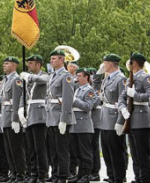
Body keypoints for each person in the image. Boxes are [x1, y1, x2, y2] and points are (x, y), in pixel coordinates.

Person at [118, 53, 150, 183]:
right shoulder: (131, 78)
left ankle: (146, 178)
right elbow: (122, 97)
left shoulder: (146, 78)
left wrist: (135, 95)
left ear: (134, 63)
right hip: (131, 118)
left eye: (130, 62)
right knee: (135, 153)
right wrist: (123, 109)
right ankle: (138, 177)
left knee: (143, 153)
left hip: (142, 119)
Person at [46, 50, 76, 183]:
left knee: (62, 149)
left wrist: (64, 119)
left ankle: (63, 176)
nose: (51, 61)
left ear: (61, 60)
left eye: (54, 58)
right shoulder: (53, 75)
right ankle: (55, 173)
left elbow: (68, 99)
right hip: (52, 116)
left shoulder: (66, 76)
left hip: (60, 117)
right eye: (51, 58)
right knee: (53, 150)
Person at [19, 55, 49, 183]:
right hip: (29, 114)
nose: (28, 65)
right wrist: (21, 109)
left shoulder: (46, 75)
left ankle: (42, 174)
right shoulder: (28, 79)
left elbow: (41, 80)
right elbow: (23, 96)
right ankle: (33, 173)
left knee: (40, 147)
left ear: (38, 64)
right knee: (30, 147)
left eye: (31, 63)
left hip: (40, 115)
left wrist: (27, 76)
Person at [99, 54, 128, 183]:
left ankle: (119, 177)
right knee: (106, 149)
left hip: (114, 118)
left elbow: (124, 101)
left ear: (110, 64)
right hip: (105, 118)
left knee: (116, 150)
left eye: (104, 63)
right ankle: (111, 175)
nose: (103, 65)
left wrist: (121, 121)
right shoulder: (107, 79)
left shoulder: (121, 79)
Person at [0, 57, 26, 183]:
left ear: (14, 66)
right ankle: (14, 173)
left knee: (16, 148)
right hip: (5, 116)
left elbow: (17, 100)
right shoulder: (6, 80)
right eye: (4, 63)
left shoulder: (16, 80)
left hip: (12, 117)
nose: (4, 65)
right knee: (9, 149)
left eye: (7, 63)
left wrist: (15, 118)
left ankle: (20, 174)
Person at [69, 69, 96, 183]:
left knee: (85, 152)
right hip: (75, 124)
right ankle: (79, 175)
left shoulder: (89, 90)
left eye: (79, 76)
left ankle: (86, 175)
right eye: (77, 76)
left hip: (83, 125)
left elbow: (87, 106)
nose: (77, 78)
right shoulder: (76, 89)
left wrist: (74, 100)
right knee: (76, 152)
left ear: (86, 77)